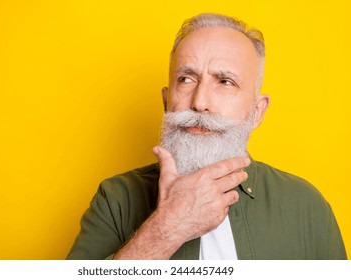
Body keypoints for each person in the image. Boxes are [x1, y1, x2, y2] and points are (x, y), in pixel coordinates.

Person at [67, 13, 347, 260]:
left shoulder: (306, 206)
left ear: (257, 112)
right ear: (166, 102)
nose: (200, 102)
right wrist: (167, 228)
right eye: (186, 79)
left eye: (225, 81)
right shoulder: (116, 198)